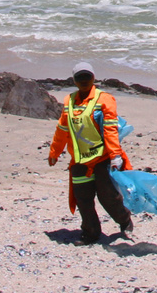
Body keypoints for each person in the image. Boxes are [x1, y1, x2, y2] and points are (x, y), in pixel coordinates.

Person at [47, 62, 135, 244]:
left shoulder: (104, 99)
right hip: (79, 162)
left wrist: (115, 155)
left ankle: (124, 220)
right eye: (80, 77)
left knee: (109, 197)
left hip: (102, 159)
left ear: (93, 78)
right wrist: (54, 152)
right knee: (83, 200)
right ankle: (90, 233)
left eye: (87, 76)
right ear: (74, 80)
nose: (84, 80)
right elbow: (62, 128)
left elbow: (110, 128)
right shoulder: (69, 101)